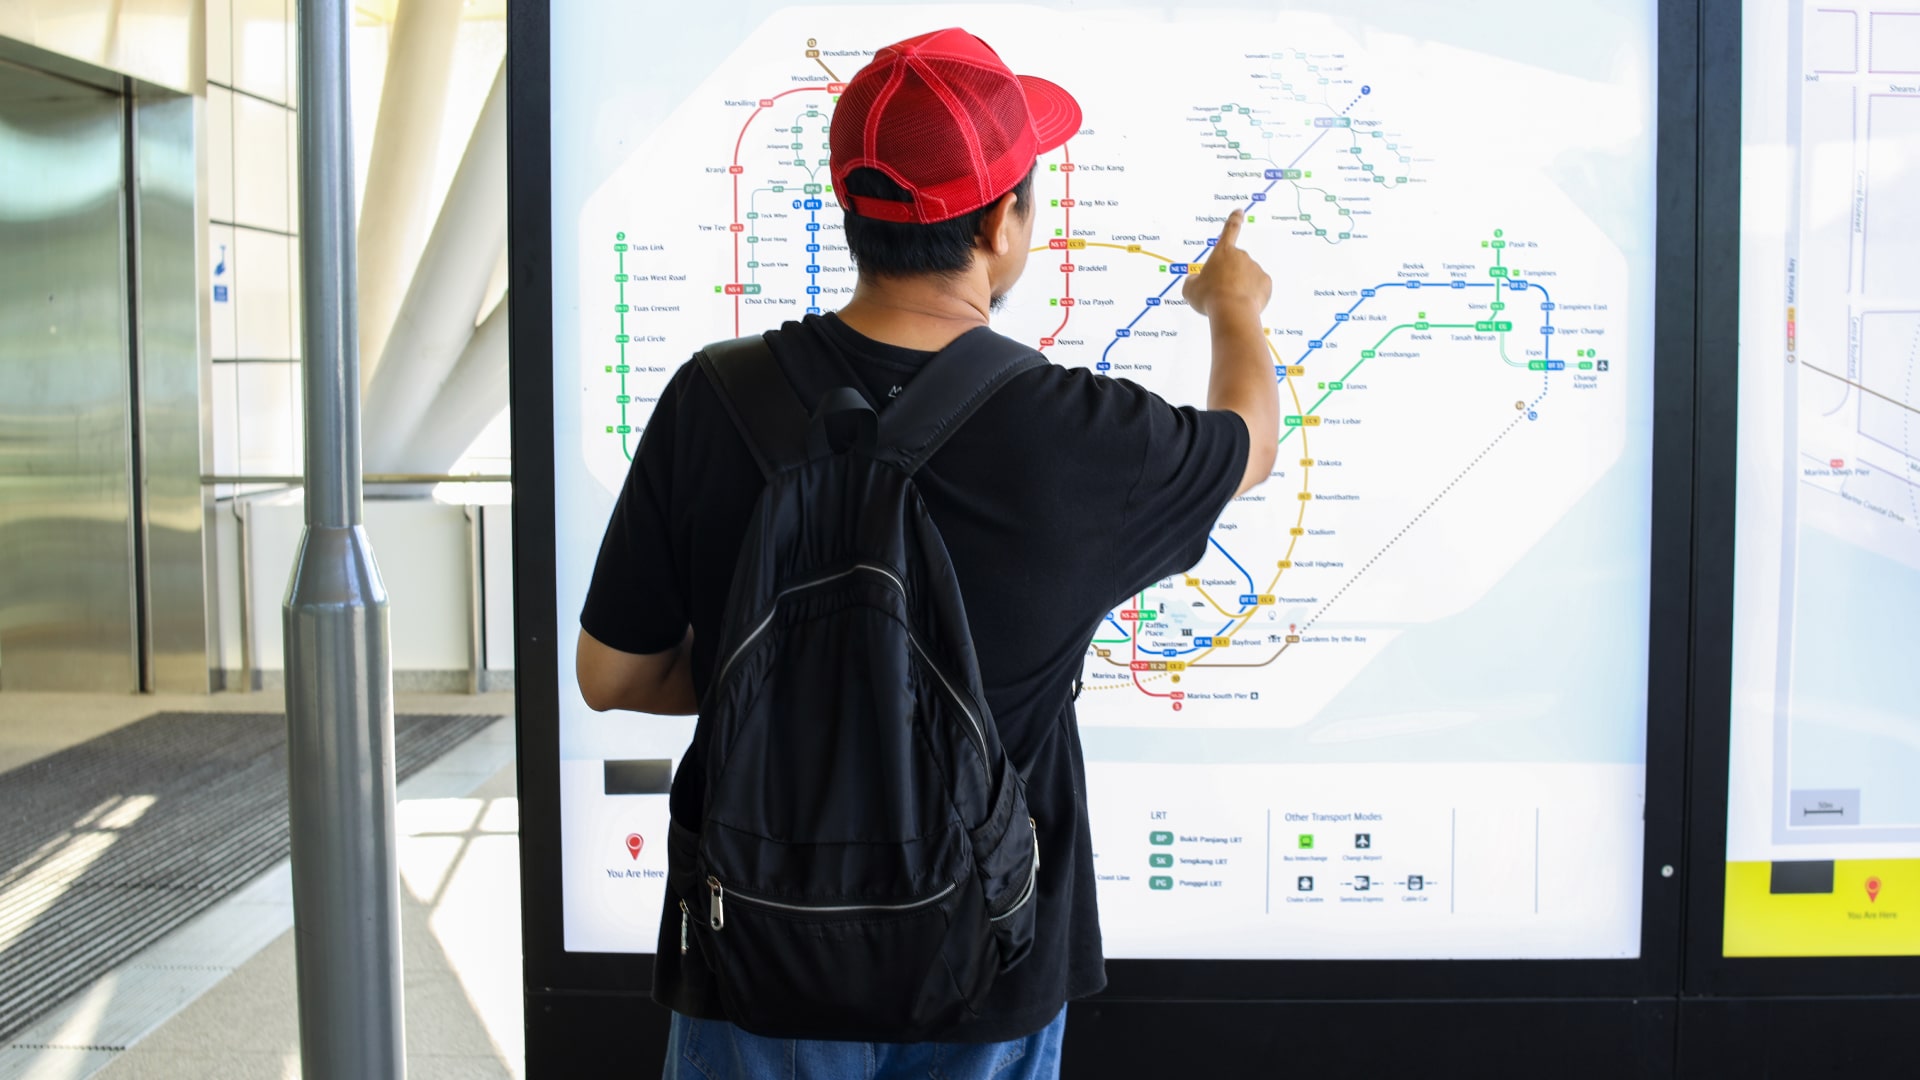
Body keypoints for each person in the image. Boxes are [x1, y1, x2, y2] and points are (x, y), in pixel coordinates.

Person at [576, 26, 1277, 1080]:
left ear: (852, 211)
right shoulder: (1081, 436)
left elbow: (612, 674)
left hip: (752, 963)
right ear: (1003, 223)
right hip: (984, 971)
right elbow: (1251, 444)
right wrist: (1233, 305)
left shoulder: (712, 400)